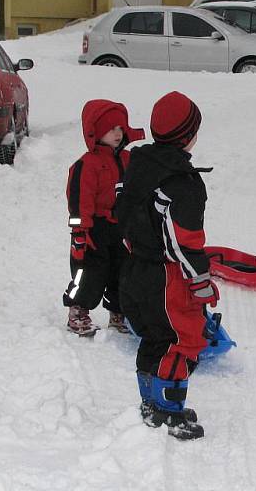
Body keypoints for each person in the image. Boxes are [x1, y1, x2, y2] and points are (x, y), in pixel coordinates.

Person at [117, 91, 216, 441]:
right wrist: (200, 282)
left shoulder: (136, 165)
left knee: (155, 337)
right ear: (189, 135)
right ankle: (168, 411)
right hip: (167, 275)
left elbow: (123, 216)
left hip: (135, 268)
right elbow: (184, 241)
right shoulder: (182, 183)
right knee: (182, 340)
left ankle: (150, 402)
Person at [64, 99, 144, 336]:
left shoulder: (127, 159)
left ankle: (119, 314)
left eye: (120, 128)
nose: (118, 133)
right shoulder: (86, 165)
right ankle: (78, 311)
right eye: (111, 129)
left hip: (120, 227)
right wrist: (80, 233)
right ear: (96, 132)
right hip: (94, 229)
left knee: (124, 270)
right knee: (90, 272)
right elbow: (79, 203)